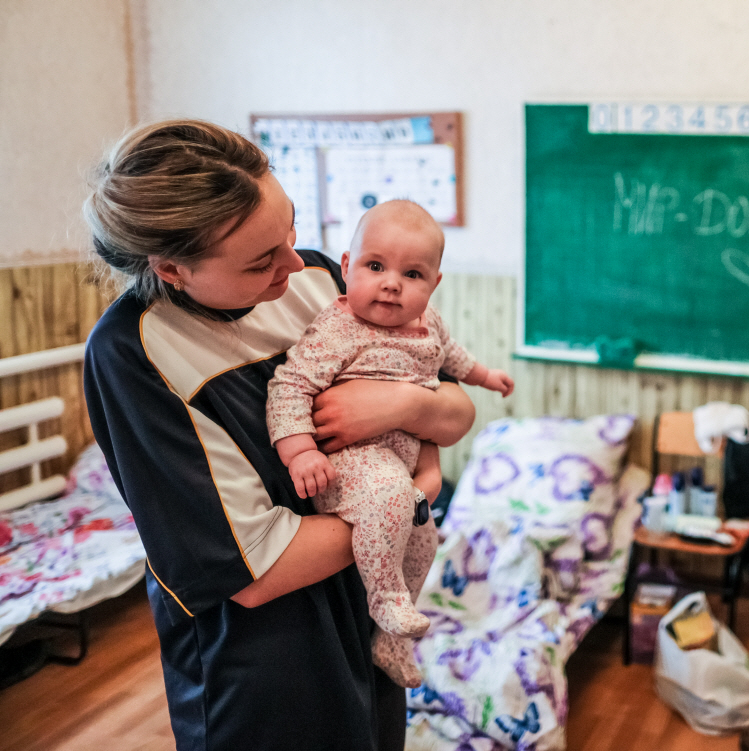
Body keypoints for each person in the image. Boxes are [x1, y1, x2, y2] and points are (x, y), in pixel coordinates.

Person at [82, 119, 476, 751]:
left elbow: (455, 410)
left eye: (290, 228)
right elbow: (253, 571)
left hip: (367, 604)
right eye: (262, 261)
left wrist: (403, 405)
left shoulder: (324, 281)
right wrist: (405, 500)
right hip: (269, 660)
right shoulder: (137, 353)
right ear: (174, 270)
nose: (295, 263)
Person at [266, 200, 513, 688]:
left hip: (400, 470)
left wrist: (486, 376)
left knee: (424, 541)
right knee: (392, 497)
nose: (392, 282)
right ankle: (384, 597)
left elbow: (452, 359)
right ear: (346, 267)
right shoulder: (338, 328)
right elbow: (289, 387)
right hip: (351, 466)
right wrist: (301, 451)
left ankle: (392, 641)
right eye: (375, 266)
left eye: (412, 273)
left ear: (434, 284)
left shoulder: (430, 324)